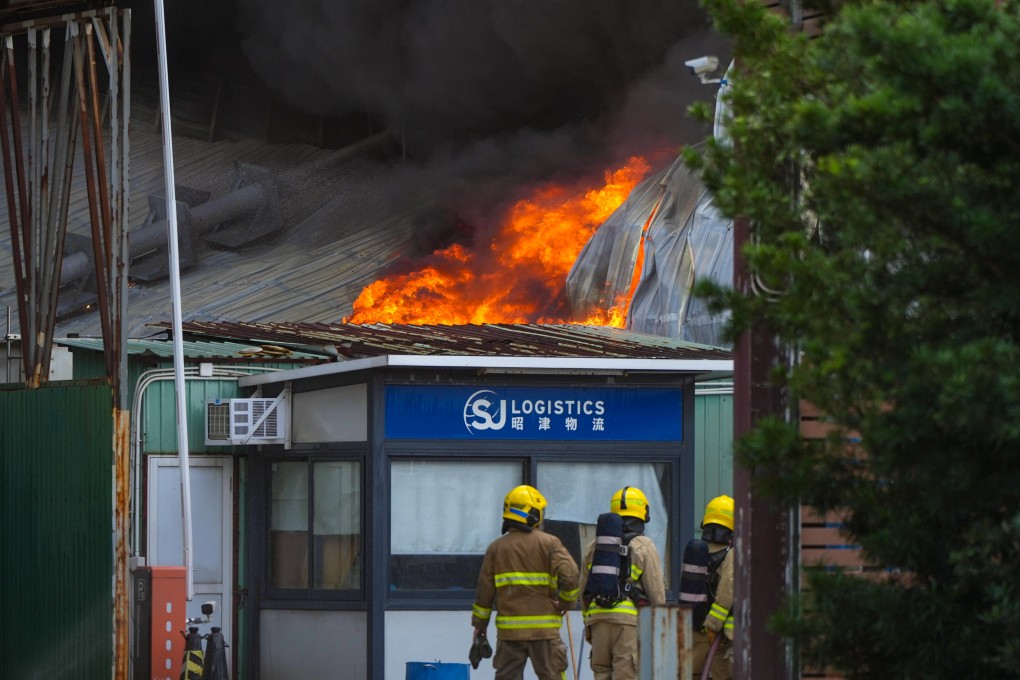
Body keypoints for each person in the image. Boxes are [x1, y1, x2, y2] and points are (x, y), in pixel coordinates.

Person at [471, 484, 580, 680]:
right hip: (544, 633)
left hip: (509, 635)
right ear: (531, 513)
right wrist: (566, 602)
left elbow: (484, 592)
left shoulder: (496, 548)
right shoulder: (550, 543)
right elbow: (571, 575)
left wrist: (480, 625)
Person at [579, 486, 666, 680]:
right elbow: (656, 592)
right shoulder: (644, 545)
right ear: (642, 514)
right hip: (628, 624)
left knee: (601, 673)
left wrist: (589, 621)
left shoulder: (594, 546)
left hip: (598, 620)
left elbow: (583, 590)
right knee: (625, 675)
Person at [690, 495, 736, 680]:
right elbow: (727, 592)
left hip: (696, 634)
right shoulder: (732, 555)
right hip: (724, 636)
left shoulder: (696, 553)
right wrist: (713, 626)